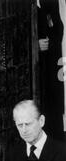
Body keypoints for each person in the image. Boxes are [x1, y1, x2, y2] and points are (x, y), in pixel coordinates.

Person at [37, 0, 64, 141]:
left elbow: (58, 29)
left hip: (51, 65)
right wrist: (35, 45)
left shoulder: (50, 2)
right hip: (34, 70)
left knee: (53, 106)